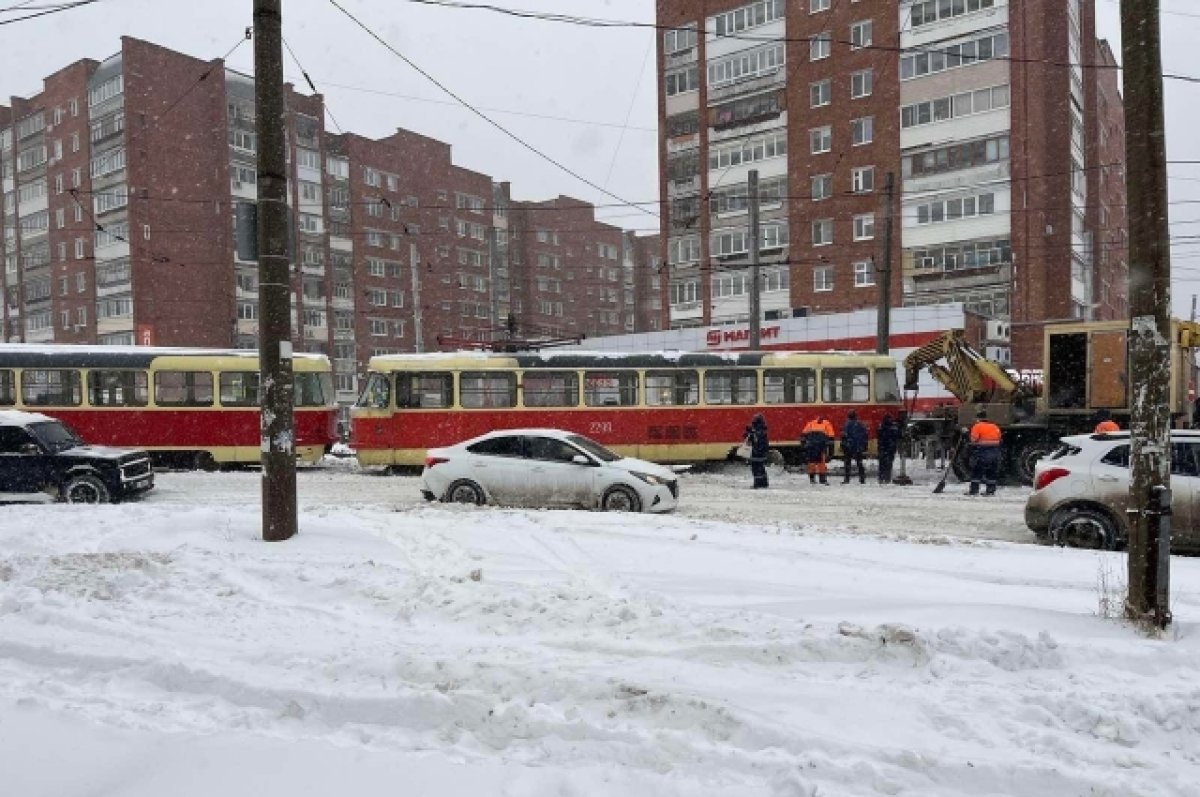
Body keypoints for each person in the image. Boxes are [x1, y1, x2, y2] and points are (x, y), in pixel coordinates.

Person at [968, 408, 1003, 495]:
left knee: (977, 471)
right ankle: (990, 490)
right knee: (991, 471)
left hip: (984, 452)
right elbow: (999, 438)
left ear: (978, 419)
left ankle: (974, 490)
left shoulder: (977, 426)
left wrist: (966, 433)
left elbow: (973, 440)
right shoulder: (994, 426)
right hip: (995, 452)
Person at [801, 416, 833, 485]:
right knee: (821, 463)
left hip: (811, 446)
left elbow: (803, 436)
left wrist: (804, 447)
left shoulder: (811, 424)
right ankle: (822, 480)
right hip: (821, 447)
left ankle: (812, 479)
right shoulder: (827, 424)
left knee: (811, 463)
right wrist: (831, 453)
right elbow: (831, 439)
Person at [841, 410, 868, 484]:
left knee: (847, 464)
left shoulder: (847, 424)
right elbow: (865, 435)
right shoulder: (860, 424)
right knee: (859, 463)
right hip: (858, 446)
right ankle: (862, 479)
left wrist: (843, 446)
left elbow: (844, 436)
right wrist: (864, 446)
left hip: (849, 446)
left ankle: (847, 479)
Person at [744, 413, 770, 489]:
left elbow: (753, 440)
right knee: (761, 468)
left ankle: (758, 483)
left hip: (756, 453)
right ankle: (764, 483)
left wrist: (749, 433)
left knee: (756, 469)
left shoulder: (756, 431)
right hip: (761, 453)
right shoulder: (762, 430)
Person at [876, 413, 899, 484]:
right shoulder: (893, 428)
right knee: (888, 465)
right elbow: (896, 437)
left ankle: (881, 478)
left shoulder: (881, 427)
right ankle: (887, 478)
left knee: (882, 464)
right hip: (890, 449)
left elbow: (879, 436)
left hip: (882, 448)